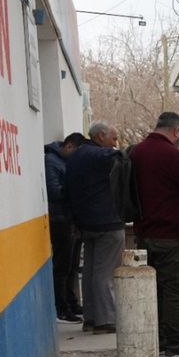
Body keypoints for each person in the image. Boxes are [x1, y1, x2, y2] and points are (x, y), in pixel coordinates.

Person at [130, 112, 179, 357]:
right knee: (177, 288)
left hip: (145, 234)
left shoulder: (136, 152)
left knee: (155, 290)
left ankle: (159, 339)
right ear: (177, 131)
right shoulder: (174, 156)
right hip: (173, 236)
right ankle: (174, 344)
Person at [65, 121, 123, 335]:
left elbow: (67, 191)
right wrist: (125, 153)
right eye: (113, 139)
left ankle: (90, 318)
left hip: (85, 223)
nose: (115, 144)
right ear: (100, 137)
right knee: (105, 273)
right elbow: (111, 156)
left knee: (89, 272)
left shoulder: (75, 158)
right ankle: (106, 320)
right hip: (107, 222)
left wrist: (74, 221)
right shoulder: (96, 154)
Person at [45, 132, 87, 323]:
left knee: (71, 266)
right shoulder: (51, 161)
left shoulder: (63, 161)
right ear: (69, 146)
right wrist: (75, 189)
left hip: (69, 219)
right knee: (62, 266)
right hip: (59, 219)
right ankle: (62, 309)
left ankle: (71, 303)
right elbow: (54, 191)